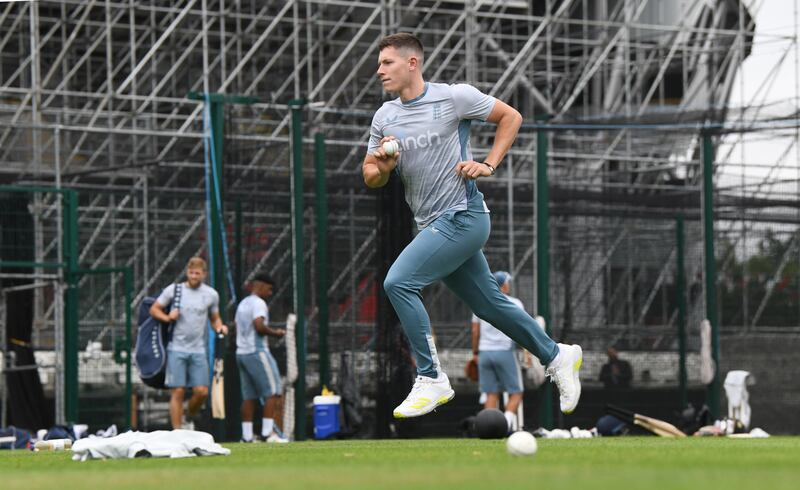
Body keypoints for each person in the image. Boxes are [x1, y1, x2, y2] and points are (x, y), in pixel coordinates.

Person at [362, 32, 583, 419]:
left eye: (387, 62)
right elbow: (370, 176)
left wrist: (488, 164)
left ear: (412, 63)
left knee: (399, 282)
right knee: (490, 305)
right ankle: (556, 354)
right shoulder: (386, 116)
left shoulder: (453, 97)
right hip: (430, 224)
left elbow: (510, 117)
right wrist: (382, 166)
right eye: (379, 63)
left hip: (464, 217)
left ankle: (431, 378)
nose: (379, 70)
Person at [149, 256, 228, 430]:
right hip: (176, 348)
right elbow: (154, 309)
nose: (193, 277)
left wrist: (220, 327)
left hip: (198, 349)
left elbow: (215, 318)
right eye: (191, 273)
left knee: (202, 392)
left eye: (197, 273)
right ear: (187, 272)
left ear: (204, 274)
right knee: (178, 390)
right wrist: (167, 317)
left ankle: (188, 416)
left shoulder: (211, 295)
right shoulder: (174, 290)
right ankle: (177, 431)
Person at [234, 273, 288, 443]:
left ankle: (247, 436)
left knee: (249, 396)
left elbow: (236, 326)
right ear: (261, 286)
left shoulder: (243, 303)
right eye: (270, 289)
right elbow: (259, 326)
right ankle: (267, 434)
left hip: (241, 352)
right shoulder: (259, 304)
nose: (270, 293)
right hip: (256, 351)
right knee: (273, 391)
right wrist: (276, 333)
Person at [471, 271, 528, 432]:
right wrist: (527, 351)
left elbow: (475, 331)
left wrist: (475, 353)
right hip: (505, 352)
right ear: (503, 285)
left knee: (491, 393)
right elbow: (523, 328)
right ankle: (507, 424)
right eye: (507, 282)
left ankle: (488, 429)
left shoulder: (479, 303)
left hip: (484, 353)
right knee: (516, 392)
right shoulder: (515, 303)